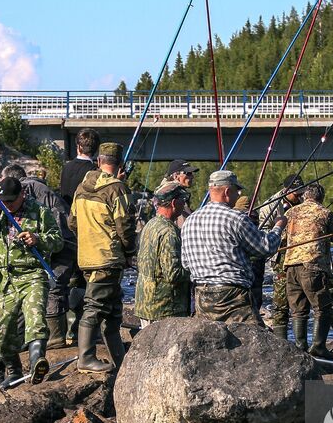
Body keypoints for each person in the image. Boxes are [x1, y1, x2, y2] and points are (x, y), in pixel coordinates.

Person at [0, 176, 63, 385]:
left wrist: (38, 239)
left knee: (35, 319)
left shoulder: (40, 212)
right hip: (5, 279)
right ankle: (13, 371)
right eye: (4, 202)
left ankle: (36, 363)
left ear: (22, 194)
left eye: (12, 201)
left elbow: (58, 241)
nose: (8, 206)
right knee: (0, 332)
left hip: (33, 275)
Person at [183, 169, 286, 323]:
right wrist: (279, 226)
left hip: (201, 297)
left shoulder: (189, 221)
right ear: (226, 191)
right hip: (233, 297)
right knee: (253, 340)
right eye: (236, 191)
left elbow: (185, 264)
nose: (238, 195)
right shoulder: (236, 218)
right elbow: (265, 248)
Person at [70, 142, 137, 372]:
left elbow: (72, 223)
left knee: (113, 310)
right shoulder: (117, 189)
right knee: (96, 308)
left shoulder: (81, 188)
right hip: (108, 258)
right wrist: (129, 252)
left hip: (87, 257)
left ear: (99, 161)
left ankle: (120, 362)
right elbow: (125, 226)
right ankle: (86, 358)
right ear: (120, 165)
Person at [3, 163, 76, 348]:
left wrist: (45, 246)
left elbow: (57, 224)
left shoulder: (34, 190)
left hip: (64, 244)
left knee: (53, 284)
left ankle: (56, 337)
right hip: (56, 243)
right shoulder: (32, 189)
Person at [280, 183, 333, 354]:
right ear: (321, 197)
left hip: (291, 266)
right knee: (322, 308)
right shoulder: (325, 212)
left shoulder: (290, 212)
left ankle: (300, 348)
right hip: (313, 266)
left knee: (298, 311)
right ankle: (318, 348)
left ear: (304, 196)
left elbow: (283, 236)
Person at [249, 173, 305, 337]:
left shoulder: (303, 201)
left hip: (299, 254)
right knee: (281, 298)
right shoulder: (271, 206)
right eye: (296, 192)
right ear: (286, 190)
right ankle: (281, 338)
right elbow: (262, 231)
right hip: (279, 255)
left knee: (300, 299)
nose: (300, 195)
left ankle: (300, 340)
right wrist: (281, 234)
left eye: (301, 191)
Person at [58, 127, 101, 340]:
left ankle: (67, 329)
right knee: (84, 281)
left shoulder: (66, 168)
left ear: (77, 146)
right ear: (96, 149)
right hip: (87, 233)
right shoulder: (95, 173)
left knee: (70, 280)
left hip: (66, 230)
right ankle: (79, 330)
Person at [134, 184, 192, 324]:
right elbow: (173, 274)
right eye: (182, 200)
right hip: (165, 308)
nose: (184, 203)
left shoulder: (150, 224)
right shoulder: (169, 232)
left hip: (145, 303)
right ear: (173, 203)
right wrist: (195, 269)